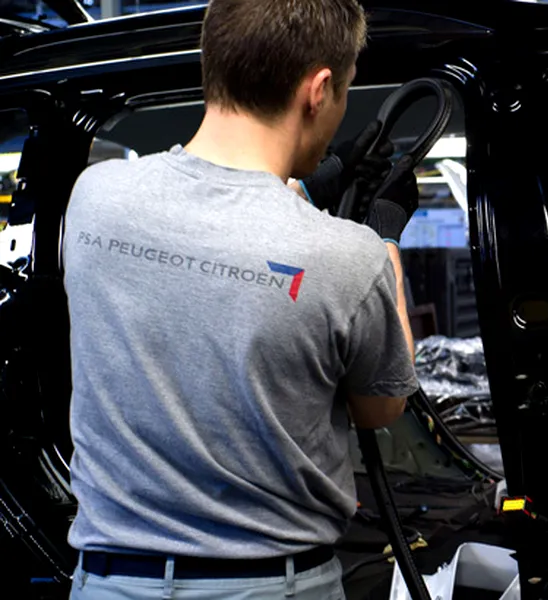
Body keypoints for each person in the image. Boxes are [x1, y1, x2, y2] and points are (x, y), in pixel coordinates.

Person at [62, 0, 420, 597]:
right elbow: (380, 408)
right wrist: (384, 237)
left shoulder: (95, 197)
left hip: (107, 584)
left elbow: (216, 239)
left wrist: (311, 183)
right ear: (319, 88)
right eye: (343, 94)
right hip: (269, 587)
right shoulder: (346, 256)